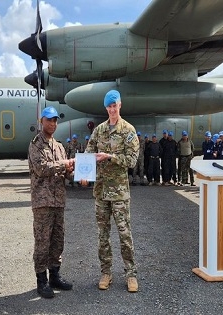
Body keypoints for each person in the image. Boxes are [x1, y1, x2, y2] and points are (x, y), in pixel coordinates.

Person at [80, 89, 140, 293]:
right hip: (101, 192)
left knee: (125, 234)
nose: (112, 110)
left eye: (115, 106)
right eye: (109, 107)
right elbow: (88, 154)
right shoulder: (99, 131)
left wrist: (109, 157)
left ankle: (131, 274)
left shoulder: (128, 131)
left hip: (120, 193)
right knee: (102, 236)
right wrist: (84, 173)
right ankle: (106, 273)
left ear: (120, 105)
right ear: (106, 108)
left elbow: (132, 162)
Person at [28, 106, 75, 299]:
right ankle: (42, 281)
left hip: (58, 201)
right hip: (42, 202)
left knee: (57, 240)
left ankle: (55, 276)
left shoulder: (59, 146)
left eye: (55, 120)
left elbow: (65, 173)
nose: (53, 124)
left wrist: (72, 171)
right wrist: (63, 165)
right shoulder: (35, 144)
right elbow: (41, 168)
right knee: (42, 242)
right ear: (42, 121)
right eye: (49, 120)